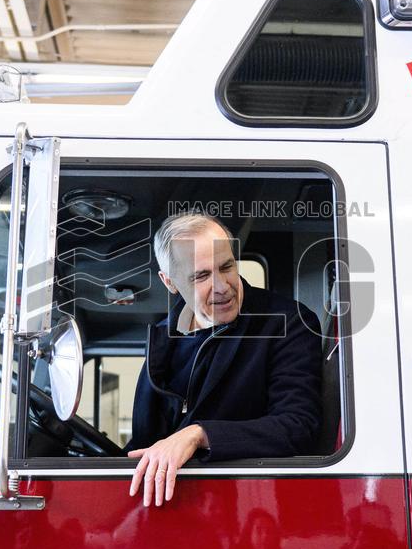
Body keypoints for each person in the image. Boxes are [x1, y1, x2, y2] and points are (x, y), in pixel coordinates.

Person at [127, 212, 323, 507]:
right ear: (170, 282)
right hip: (168, 508)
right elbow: (143, 444)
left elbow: (299, 426)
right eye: (201, 276)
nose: (222, 287)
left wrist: (200, 434)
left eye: (227, 266)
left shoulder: (287, 322)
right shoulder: (162, 340)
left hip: (248, 507)